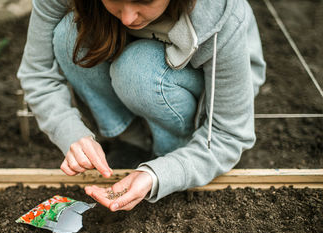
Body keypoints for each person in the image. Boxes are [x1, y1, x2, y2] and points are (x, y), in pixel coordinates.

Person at [17, 0, 266, 212]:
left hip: (186, 86)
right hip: (131, 67)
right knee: (68, 35)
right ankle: (130, 142)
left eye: (144, 1)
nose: (127, 17)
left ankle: (174, 151)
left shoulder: (220, 14)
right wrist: (69, 131)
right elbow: (37, 73)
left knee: (138, 71)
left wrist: (158, 175)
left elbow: (228, 134)